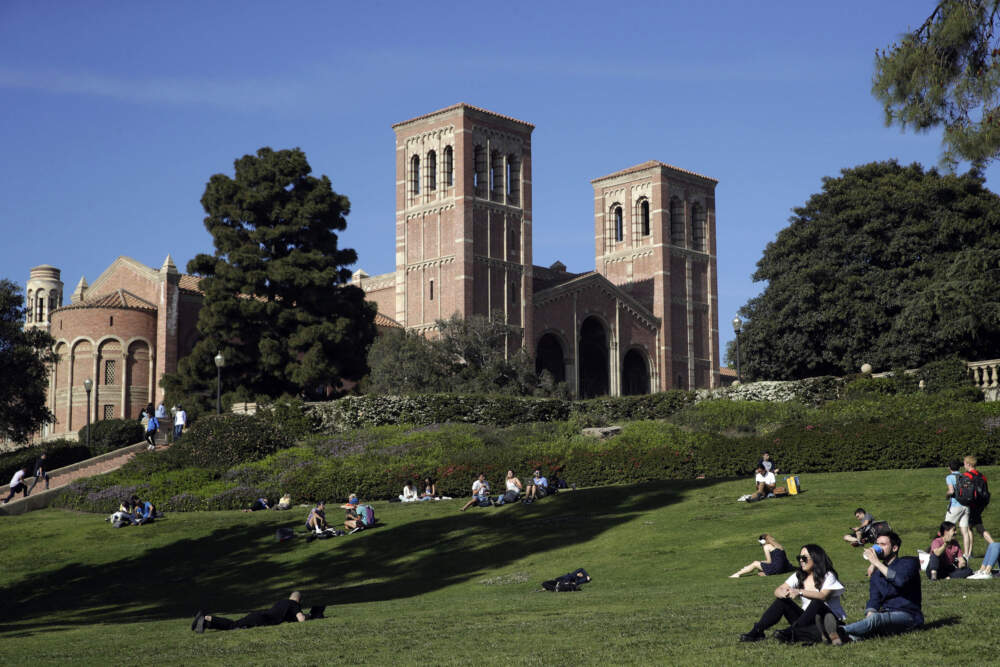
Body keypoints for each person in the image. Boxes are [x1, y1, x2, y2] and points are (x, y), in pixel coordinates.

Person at [818, 531, 922, 645]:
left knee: (875, 620)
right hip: (885, 617)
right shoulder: (876, 574)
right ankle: (840, 638)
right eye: (877, 544)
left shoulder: (908, 563)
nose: (878, 547)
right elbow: (874, 598)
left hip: (908, 615)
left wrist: (876, 563)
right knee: (871, 626)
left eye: (883, 544)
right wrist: (870, 612)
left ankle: (839, 630)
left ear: (895, 548)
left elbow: (900, 581)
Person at [738, 544, 846, 643]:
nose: (801, 561)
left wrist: (799, 592)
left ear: (816, 558)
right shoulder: (799, 575)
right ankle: (757, 631)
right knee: (782, 601)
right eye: (799, 558)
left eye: (804, 558)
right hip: (806, 620)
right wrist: (783, 593)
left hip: (826, 620)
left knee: (817, 602)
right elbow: (778, 590)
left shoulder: (828, 575)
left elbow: (823, 596)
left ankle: (791, 632)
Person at [192, 591, 306, 632]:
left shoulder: (282, 602)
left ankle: (207, 624)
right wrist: (307, 616)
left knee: (233, 626)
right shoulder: (294, 604)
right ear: (298, 600)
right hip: (260, 620)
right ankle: (206, 618)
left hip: (258, 616)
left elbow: (284, 616)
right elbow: (301, 619)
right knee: (233, 625)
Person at [961, 455, 993, 558]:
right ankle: (993, 546)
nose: (964, 465)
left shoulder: (967, 475)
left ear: (969, 464)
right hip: (981, 505)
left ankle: (970, 553)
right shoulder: (982, 476)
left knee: (972, 528)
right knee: (976, 527)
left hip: (971, 505)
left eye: (965, 463)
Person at [730, 534, 795, 578]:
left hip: (777, 569)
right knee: (759, 568)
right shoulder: (779, 546)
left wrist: (759, 562)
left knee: (755, 563)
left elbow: (769, 561)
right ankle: (761, 572)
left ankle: (738, 574)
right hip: (784, 568)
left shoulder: (766, 547)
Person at [944, 459, 972, 557]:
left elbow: (951, 491)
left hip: (956, 506)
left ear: (949, 468)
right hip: (966, 505)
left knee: (947, 529)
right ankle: (967, 554)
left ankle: (948, 551)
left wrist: (946, 495)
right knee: (964, 531)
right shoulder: (964, 476)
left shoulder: (949, 477)